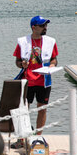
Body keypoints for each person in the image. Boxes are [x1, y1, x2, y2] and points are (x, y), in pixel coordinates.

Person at [12, 16, 58, 147]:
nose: (45, 28)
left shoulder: (50, 41)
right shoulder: (23, 41)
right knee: (23, 110)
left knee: (42, 109)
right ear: (34, 27)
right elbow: (17, 62)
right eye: (42, 25)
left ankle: (38, 138)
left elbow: (54, 59)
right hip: (27, 81)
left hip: (44, 81)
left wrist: (52, 66)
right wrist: (22, 64)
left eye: (46, 25)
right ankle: (21, 139)